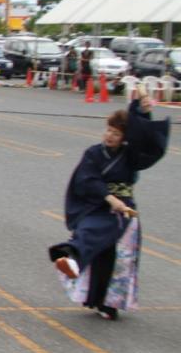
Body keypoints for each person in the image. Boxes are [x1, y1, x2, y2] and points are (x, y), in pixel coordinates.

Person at [50, 88, 169, 320]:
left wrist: (142, 112)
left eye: (116, 133)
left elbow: (145, 141)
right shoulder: (94, 153)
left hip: (124, 211)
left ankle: (109, 303)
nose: (110, 136)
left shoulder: (130, 155)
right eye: (108, 131)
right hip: (99, 204)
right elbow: (86, 179)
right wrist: (108, 197)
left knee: (118, 261)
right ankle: (71, 257)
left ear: (124, 136)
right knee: (89, 231)